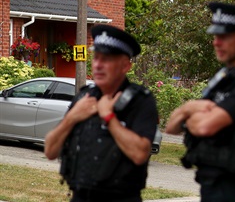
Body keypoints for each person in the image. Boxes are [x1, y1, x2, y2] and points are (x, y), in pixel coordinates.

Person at [166, 2, 235, 202]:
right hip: (212, 189)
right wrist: (189, 107)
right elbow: (171, 127)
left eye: (225, 37)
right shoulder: (224, 78)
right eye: (216, 36)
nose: (216, 42)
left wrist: (194, 117)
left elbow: (204, 127)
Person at [44, 25, 158, 202]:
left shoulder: (140, 101)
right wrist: (73, 117)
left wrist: (109, 117)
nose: (98, 65)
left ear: (125, 65)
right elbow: (50, 151)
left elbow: (140, 154)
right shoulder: (83, 98)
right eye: (96, 57)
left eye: (106, 59)